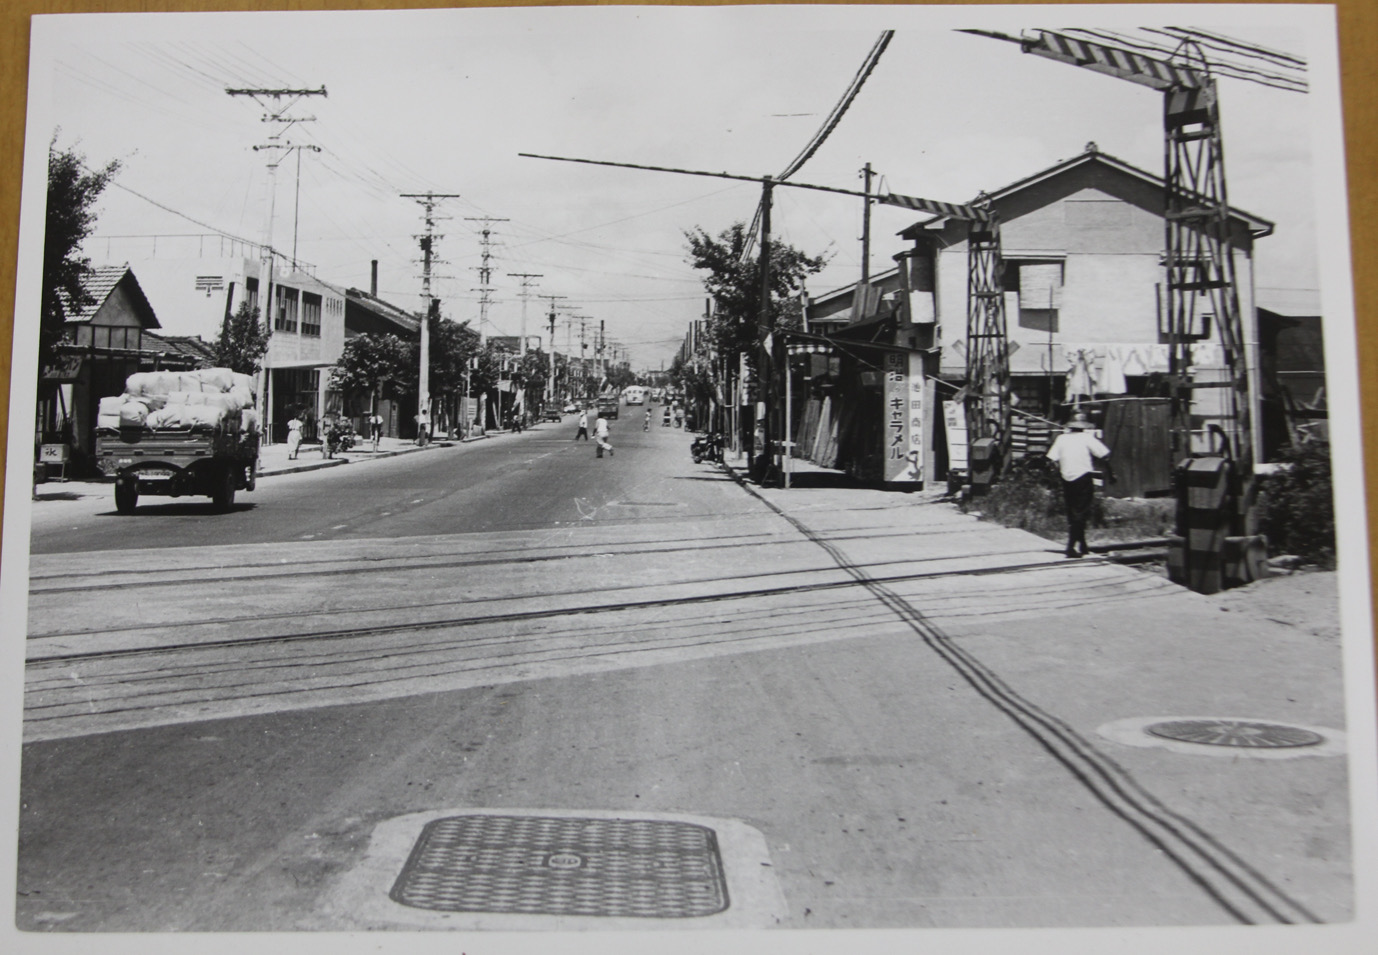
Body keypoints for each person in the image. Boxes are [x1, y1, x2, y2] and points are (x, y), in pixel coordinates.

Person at [1046, 412, 1113, 558]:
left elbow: (1051, 459)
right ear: (1084, 426)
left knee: (1072, 511)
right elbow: (1104, 455)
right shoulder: (1087, 438)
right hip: (1083, 477)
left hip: (1066, 478)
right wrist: (1111, 474)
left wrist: (1059, 471)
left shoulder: (1061, 438)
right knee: (1081, 511)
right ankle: (1071, 546)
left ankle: (1082, 544)